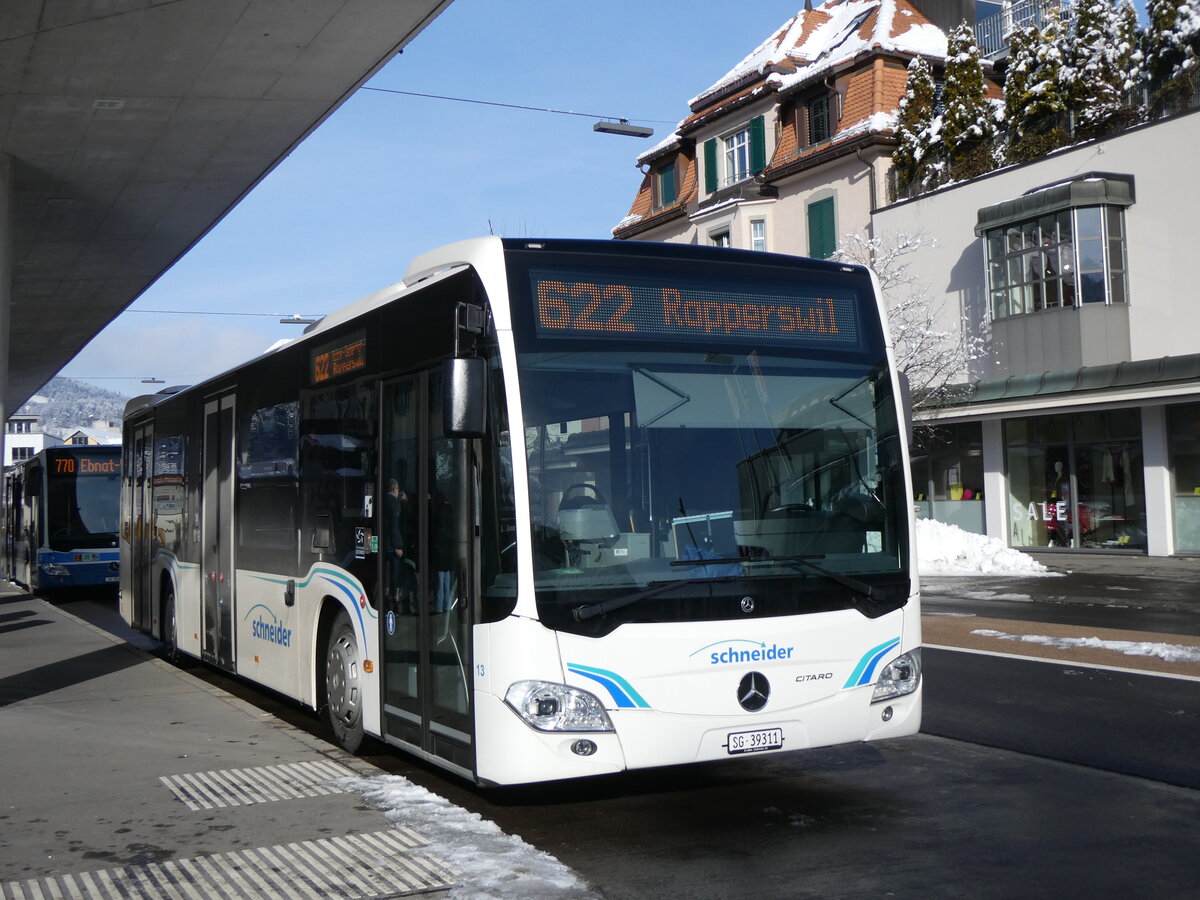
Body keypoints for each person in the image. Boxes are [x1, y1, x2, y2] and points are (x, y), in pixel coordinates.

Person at [382, 478, 411, 613]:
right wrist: (398, 546)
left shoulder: (381, 501)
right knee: (395, 577)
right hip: (392, 546)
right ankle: (393, 604)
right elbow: (394, 527)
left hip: (383, 545)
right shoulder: (394, 503)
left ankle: (386, 600)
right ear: (394, 489)